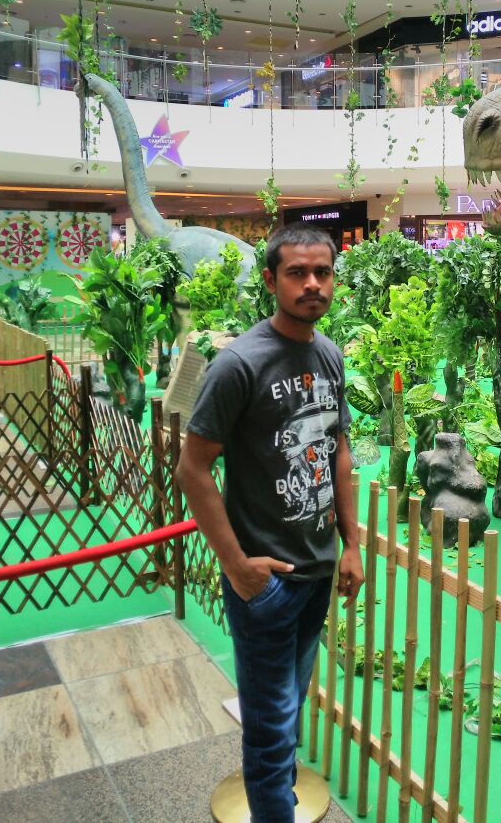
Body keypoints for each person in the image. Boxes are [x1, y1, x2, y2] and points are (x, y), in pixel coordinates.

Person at [175, 224, 364, 822]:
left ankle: (277, 795)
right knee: (270, 726)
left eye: (322, 273)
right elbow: (192, 469)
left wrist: (352, 545)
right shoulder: (239, 364)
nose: (312, 284)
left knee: (290, 702)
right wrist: (237, 566)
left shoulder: (329, 354)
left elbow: (338, 451)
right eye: (296, 273)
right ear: (270, 281)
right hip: (267, 580)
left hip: (316, 571)